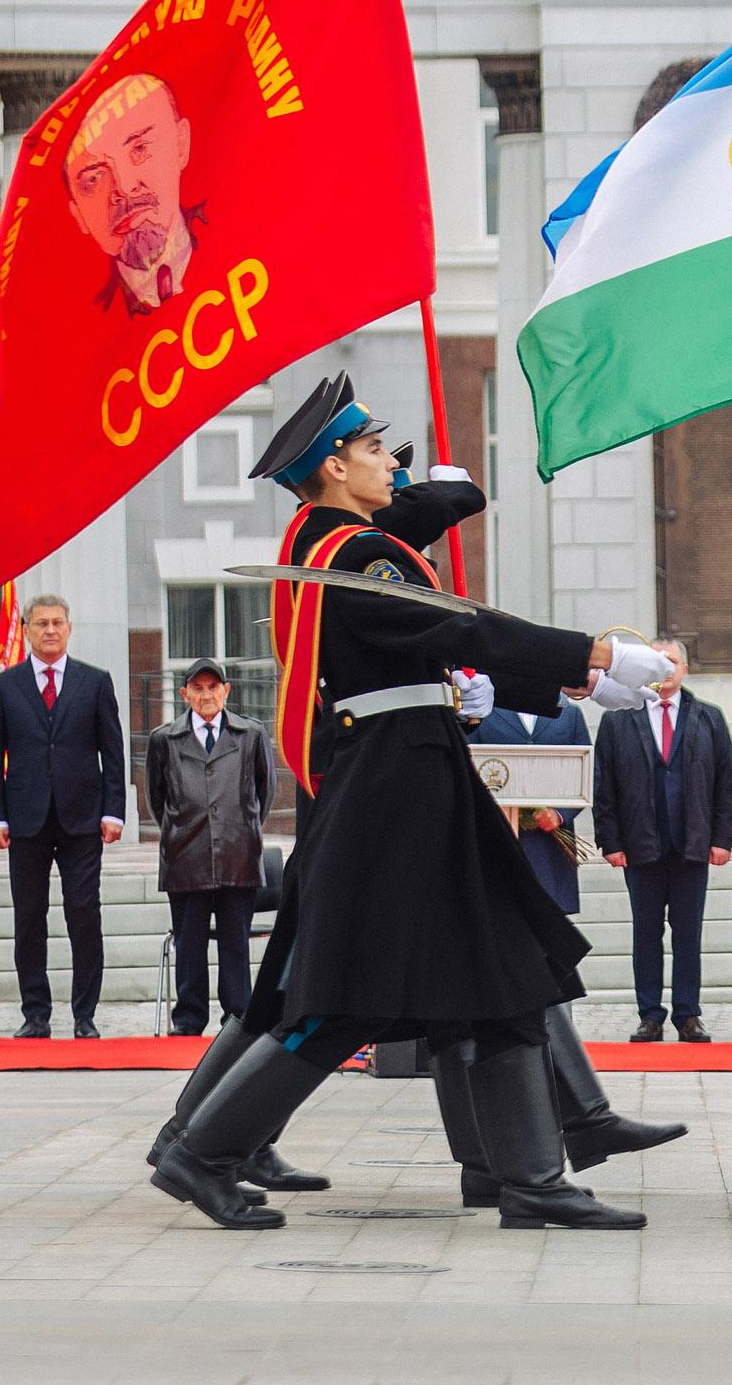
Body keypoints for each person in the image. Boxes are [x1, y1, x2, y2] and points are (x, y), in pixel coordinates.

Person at [147, 373, 680, 1231]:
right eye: (368, 451)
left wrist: (452, 495)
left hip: (408, 772)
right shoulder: (360, 557)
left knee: (502, 965)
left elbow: (412, 533)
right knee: (348, 997)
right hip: (402, 785)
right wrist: (595, 654)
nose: (387, 464)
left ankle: (532, 1176)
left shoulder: (324, 545)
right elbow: (463, 626)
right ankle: (200, 1152)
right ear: (330, 467)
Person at [0, 593, 126, 1040]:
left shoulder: (95, 682)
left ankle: (85, 1014)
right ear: (26, 629)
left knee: (83, 913)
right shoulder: (4, 686)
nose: (49, 630)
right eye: (41, 623)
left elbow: (113, 753)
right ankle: (35, 1014)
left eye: (57, 622)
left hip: (83, 818)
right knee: (29, 917)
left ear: (69, 628)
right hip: (26, 820)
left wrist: (114, 811)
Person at [591, 641, 732, 1042]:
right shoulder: (619, 718)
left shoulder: (709, 718)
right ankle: (650, 1015)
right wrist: (610, 841)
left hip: (692, 844)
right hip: (641, 845)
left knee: (688, 933)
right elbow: (604, 785)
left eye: (671, 661)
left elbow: (727, 782)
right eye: (656, 662)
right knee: (646, 932)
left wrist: (724, 838)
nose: (665, 669)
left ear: (686, 669)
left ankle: (688, 1014)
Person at [142, 657, 272, 1037]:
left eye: (212, 687)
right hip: (186, 857)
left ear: (226, 691)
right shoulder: (164, 738)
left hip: (238, 855)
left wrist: (241, 828)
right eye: (197, 689)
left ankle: (238, 1017)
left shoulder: (250, 734)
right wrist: (179, 830)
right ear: (185, 694)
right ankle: (188, 1019)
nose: (206, 695)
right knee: (190, 944)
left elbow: (264, 794)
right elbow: (156, 797)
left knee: (235, 942)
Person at [64, 72, 199, 317]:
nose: (124, 188)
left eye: (140, 149)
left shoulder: (242, 245)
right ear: (78, 216)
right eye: (94, 179)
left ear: (181, 145)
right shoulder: (79, 325)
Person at [472, 689, 593, 916]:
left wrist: (559, 813)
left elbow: (588, 772)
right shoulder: (484, 714)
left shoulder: (569, 714)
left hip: (550, 843)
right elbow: (470, 766)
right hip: (500, 838)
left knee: (551, 926)